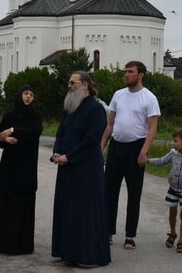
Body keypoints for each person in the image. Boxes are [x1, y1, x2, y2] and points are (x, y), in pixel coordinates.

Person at [51, 71, 111, 267]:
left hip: (86, 168)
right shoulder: (70, 107)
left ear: (85, 85)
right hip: (67, 166)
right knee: (67, 209)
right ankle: (68, 252)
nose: (69, 85)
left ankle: (89, 255)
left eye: (73, 82)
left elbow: (91, 140)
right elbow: (61, 132)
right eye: (69, 82)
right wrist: (57, 152)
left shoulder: (96, 109)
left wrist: (69, 157)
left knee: (85, 211)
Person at [100, 61, 161, 249]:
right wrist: (101, 146)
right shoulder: (118, 95)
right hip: (116, 147)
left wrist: (144, 151)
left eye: (130, 72)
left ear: (140, 74)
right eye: (125, 72)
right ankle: (108, 231)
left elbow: (152, 128)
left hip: (136, 148)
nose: (126, 75)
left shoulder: (149, 98)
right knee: (109, 191)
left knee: (134, 193)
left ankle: (130, 235)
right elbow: (110, 124)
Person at [0, 85, 43, 255]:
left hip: (26, 170)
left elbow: (35, 132)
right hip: (8, 168)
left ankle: (23, 245)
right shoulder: (10, 116)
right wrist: (6, 139)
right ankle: (4, 244)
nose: (28, 97)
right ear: (19, 96)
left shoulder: (35, 117)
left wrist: (14, 130)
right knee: (5, 205)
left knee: (23, 206)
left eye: (31, 94)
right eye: (25, 94)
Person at [147, 130, 182, 253]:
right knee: (172, 213)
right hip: (173, 189)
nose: (173, 144)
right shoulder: (173, 154)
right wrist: (148, 160)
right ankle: (173, 233)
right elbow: (161, 161)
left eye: (176, 141)